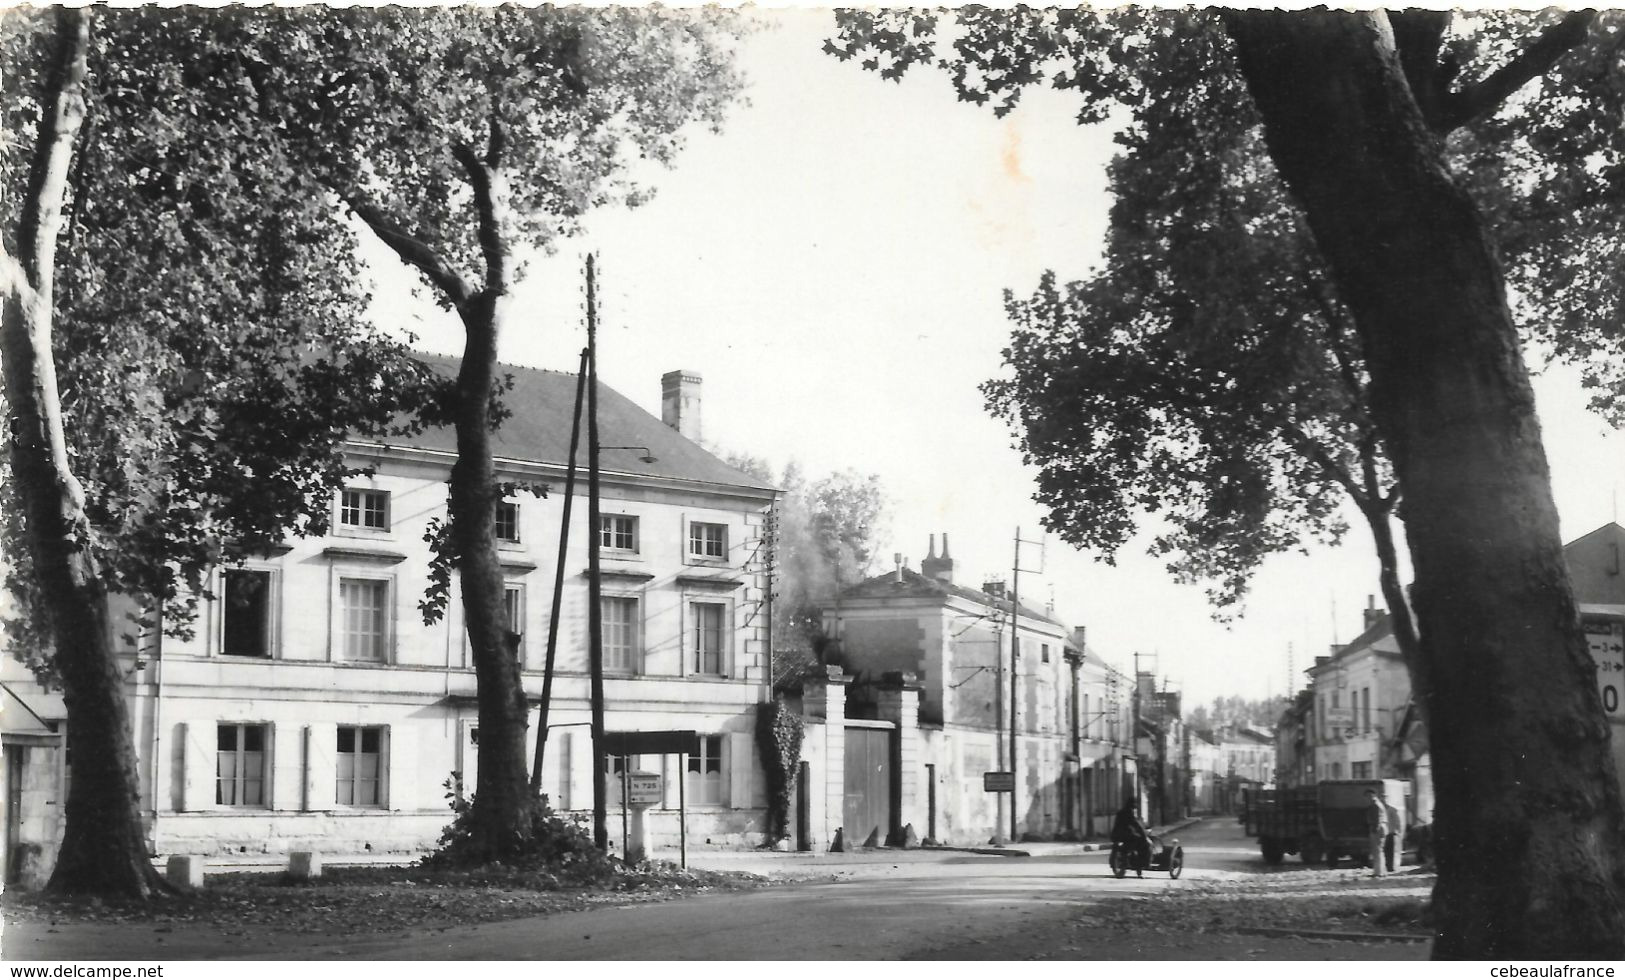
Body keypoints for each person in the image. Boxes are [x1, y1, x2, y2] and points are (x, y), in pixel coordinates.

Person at [1111, 801, 1152, 877]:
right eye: (1134, 808)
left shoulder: (1120, 812)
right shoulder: (1129, 813)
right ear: (1132, 807)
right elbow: (1136, 825)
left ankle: (1126, 862)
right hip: (1125, 837)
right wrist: (1144, 836)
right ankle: (1140, 867)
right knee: (1143, 845)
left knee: (1134, 840)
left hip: (1116, 836)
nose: (1134, 810)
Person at [1365, 788, 1389, 878]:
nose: (1367, 798)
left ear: (1373, 795)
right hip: (1381, 828)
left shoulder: (1375, 805)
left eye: (1368, 796)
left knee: (1377, 851)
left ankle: (1378, 872)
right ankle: (1381, 871)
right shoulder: (1378, 804)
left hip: (1377, 829)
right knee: (1379, 851)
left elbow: (1377, 819)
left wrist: (1374, 829)